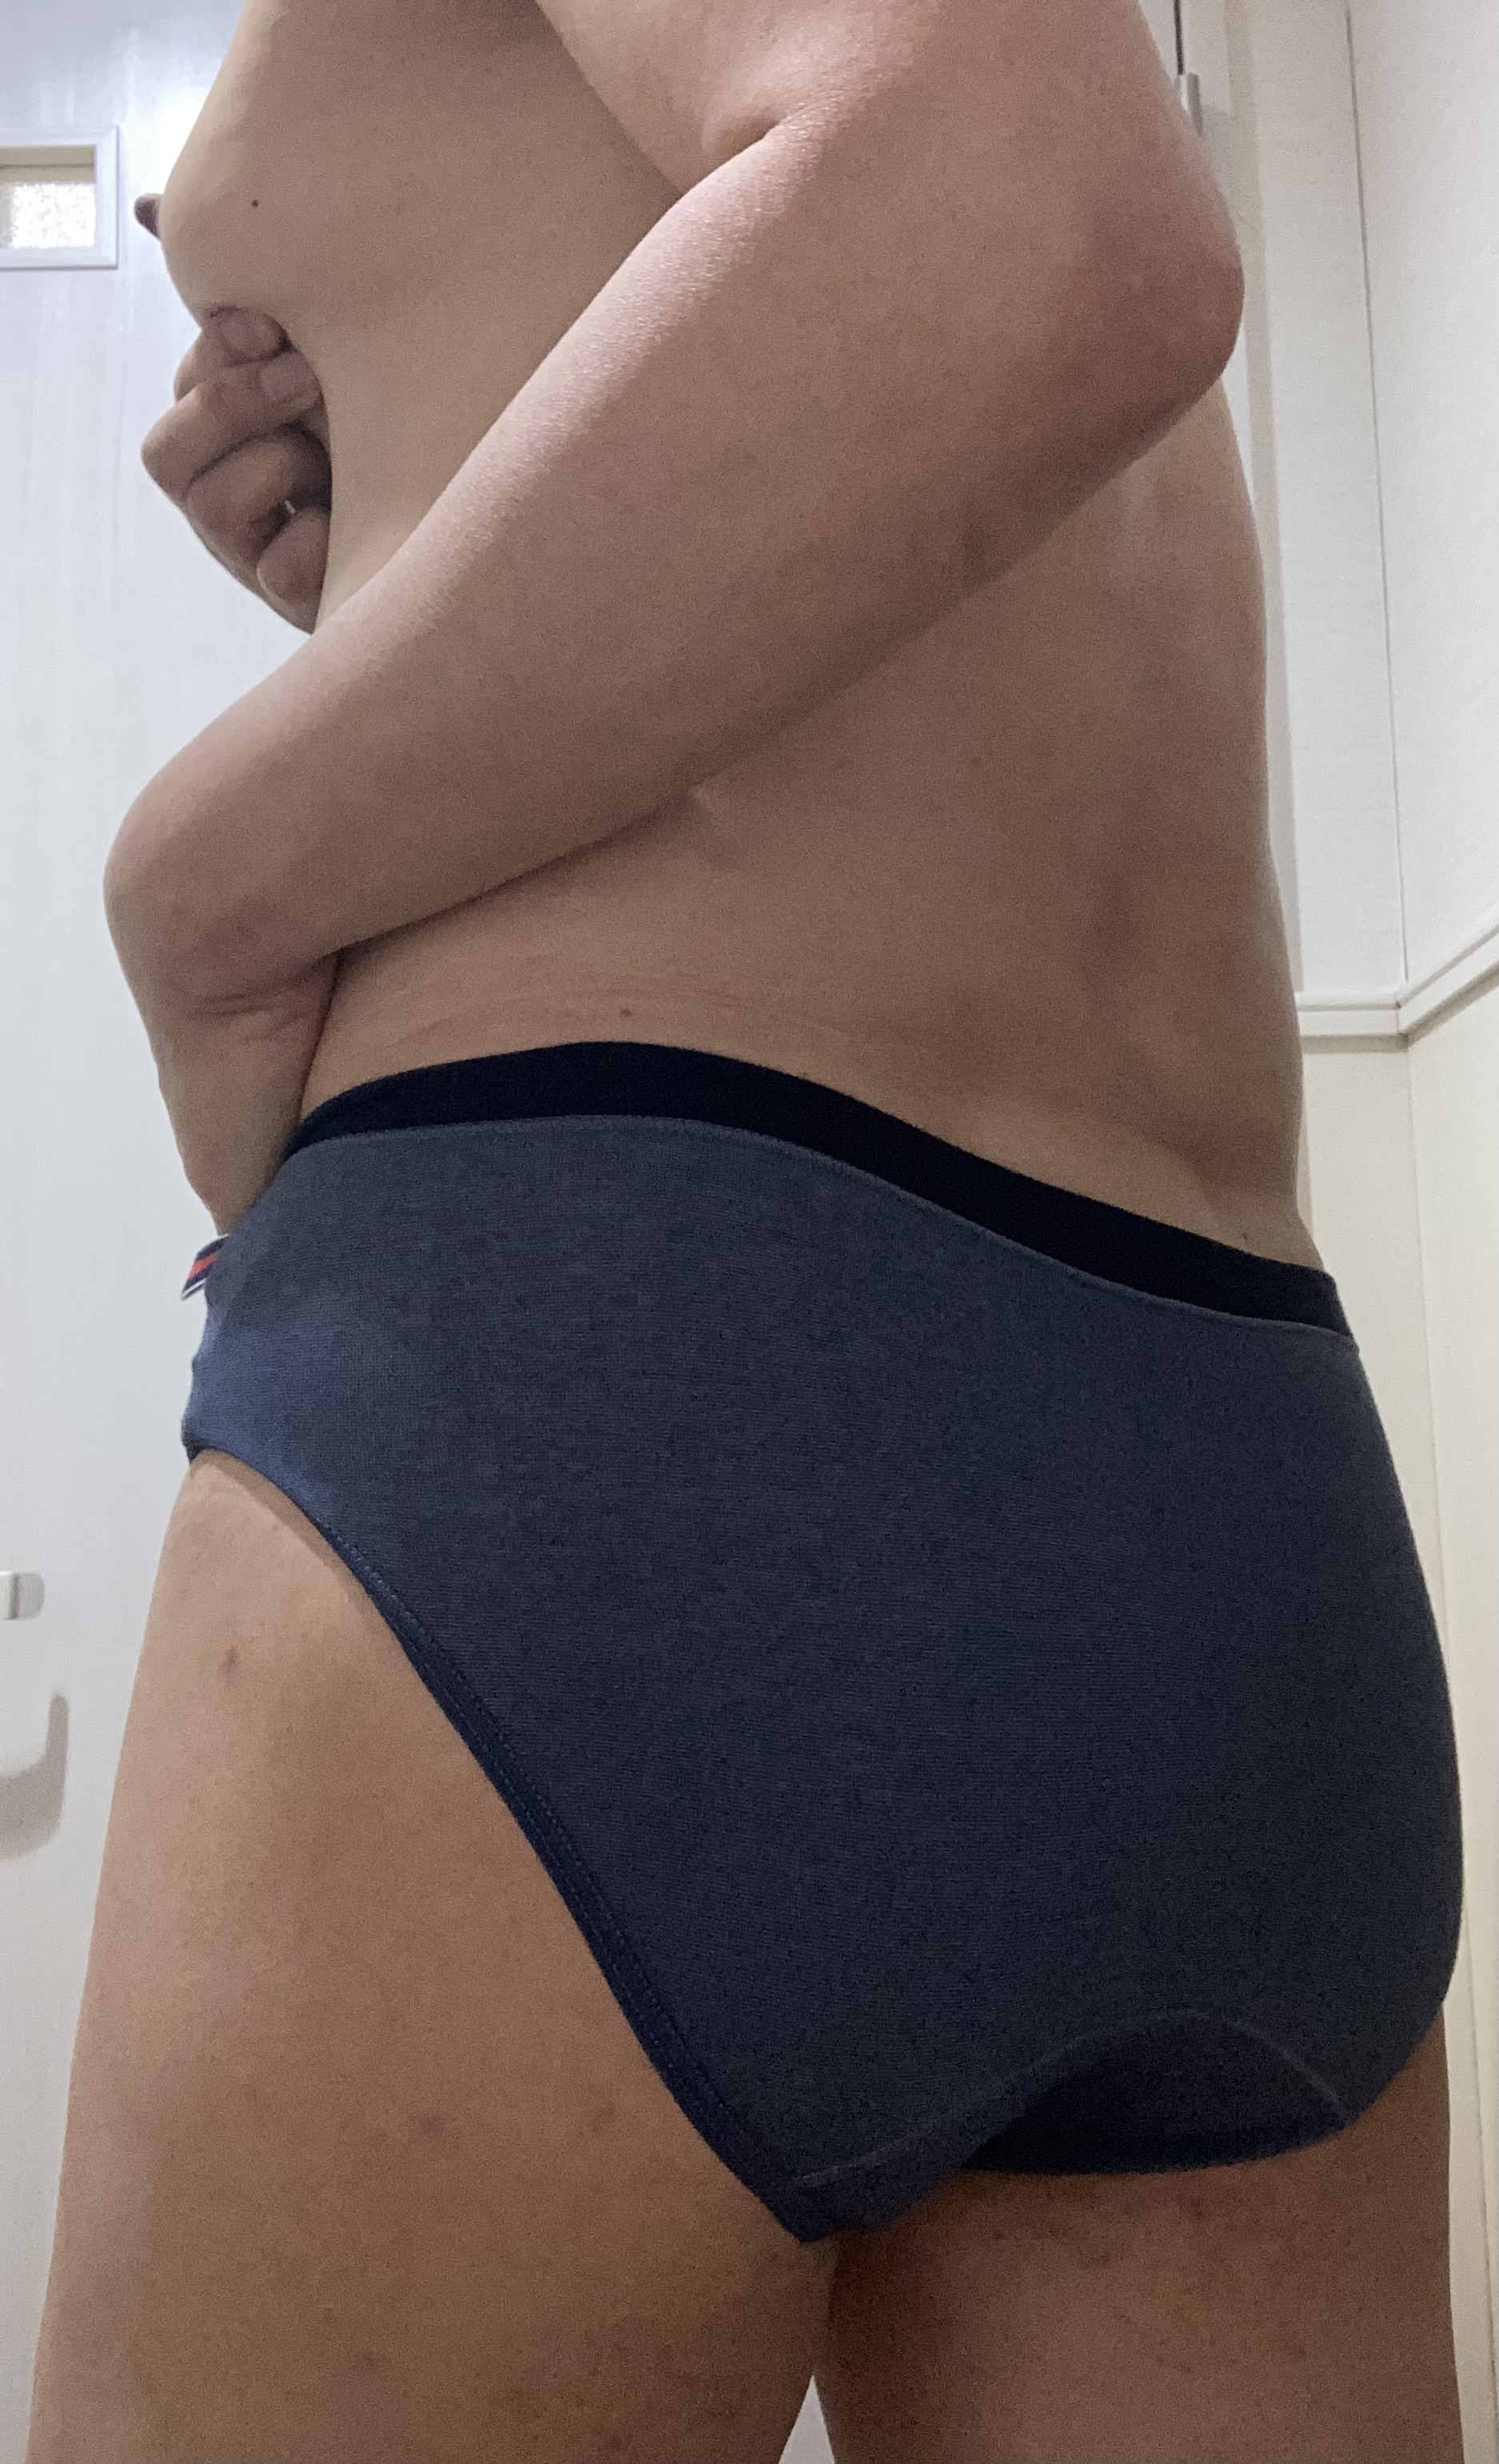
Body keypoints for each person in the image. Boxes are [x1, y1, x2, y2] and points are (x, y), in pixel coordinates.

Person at [28, 0, 1465, 2458]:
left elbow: (1030, 218)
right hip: (1209, 1448)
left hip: (604, 1381)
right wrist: (426, 535)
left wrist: (198, 892)